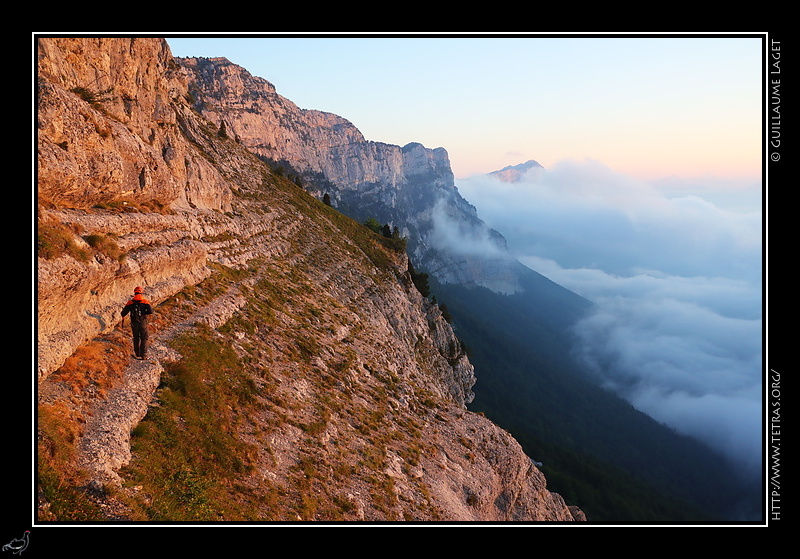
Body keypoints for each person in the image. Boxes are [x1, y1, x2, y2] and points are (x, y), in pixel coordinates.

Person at [121, 286, 153, 359]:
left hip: (134, 323)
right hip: (143, 322)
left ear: (134, 293)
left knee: (136, 338)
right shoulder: (144, 301)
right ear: (141, 292)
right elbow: (150, 311)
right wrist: (143, 312)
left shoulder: (130, 302)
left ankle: (137, 353)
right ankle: (143, 355)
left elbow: (123, 313)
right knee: (144, 338)